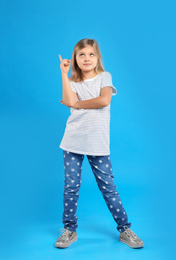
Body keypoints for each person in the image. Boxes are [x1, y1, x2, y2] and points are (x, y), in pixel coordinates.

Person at [55, 38, 144, 249]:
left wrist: (77, 104)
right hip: (73, 140)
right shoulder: (73, 82)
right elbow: (68, 101)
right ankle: (69, 230)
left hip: (97, 141)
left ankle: (124, 229)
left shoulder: (105, 77)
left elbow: (104, 100)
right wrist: (64, 74)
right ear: (75, 59)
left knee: (108, 187)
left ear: (97, 58)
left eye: (91, 54)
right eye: (81, 54)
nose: (86, 58)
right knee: (71, 187)